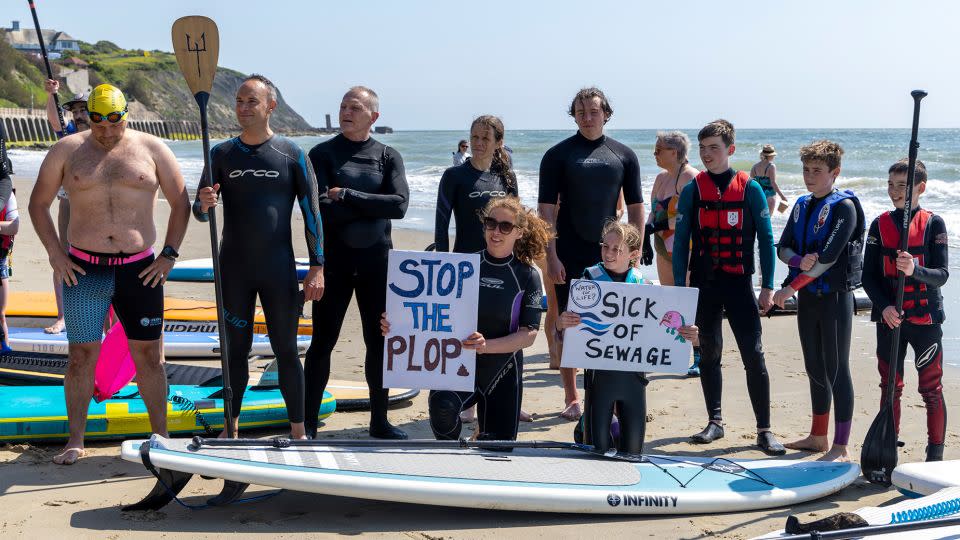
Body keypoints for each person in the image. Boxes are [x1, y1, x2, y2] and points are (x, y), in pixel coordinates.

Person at [28, 84, 190, 464]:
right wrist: (56, 254)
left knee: (149, 356)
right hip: (84, 270)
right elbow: (38, 205)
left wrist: (168, 255)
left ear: (125, 115)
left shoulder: (152, 149)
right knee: (81, 356)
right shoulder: (67, 150)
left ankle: (161, 435)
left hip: (141, 270)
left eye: (112, 121)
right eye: (97, 121)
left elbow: (181, 203)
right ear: (88, 115)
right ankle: (76, 439)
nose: (104, 130)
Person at [194, 75, 324, 439]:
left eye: (251, 101)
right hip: (234, 268)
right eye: (239, 101)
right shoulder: (220, 153)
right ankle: (229, 428)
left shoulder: (291, 153)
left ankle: (298, 430)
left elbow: (312, 212)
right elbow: (200, 212)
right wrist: (203, 205)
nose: (243, 107)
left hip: (278, 268)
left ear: (271, 106)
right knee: (236, 350)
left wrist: (317, 267)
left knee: (285, 350)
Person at [384, 196, 547, 442]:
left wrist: (486, 346)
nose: (496, 231)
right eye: (491, 223)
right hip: (456, 364)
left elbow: (529, 334)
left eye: (505, 226)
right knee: (442, 408)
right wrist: (395, 322)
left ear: (520, 233)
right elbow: (423, 310)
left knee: (497, 451)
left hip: (502, 369)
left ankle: (482, 437)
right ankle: (454, 455)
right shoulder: (461, 266)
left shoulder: (527, 275)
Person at [672, 119, 785, 455]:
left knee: (754, 355)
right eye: (703, 148)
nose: (707, 154)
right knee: (709, 354)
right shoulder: (693, 190)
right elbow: (681, 245)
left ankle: (764, 430)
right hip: (705, 286)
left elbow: (766, 240)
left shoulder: (749, 188)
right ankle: (715, 422)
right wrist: (681, 290)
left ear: (730, 150)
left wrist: (767, 285)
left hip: (739, 285)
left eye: (714, 148)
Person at [305, 86, 410, 440]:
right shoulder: (322, 154)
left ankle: (379, 421)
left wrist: (348, 195)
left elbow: (398, 206)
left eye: (355, 107)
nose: (346, 111)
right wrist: (368, 204)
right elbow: (320, 212)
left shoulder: (387, 156)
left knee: (377, 342)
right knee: (323, 342)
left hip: (377, 266)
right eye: (343, 106)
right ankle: (306, 424)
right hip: (333, 263)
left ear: (373, 116)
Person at [538, 87, 645, 421]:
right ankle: (571, 396)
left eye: (593, 112)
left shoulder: (624, 155)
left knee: (612, 324)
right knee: (569, 324)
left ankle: (607, 395)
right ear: (574, 115)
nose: (587, 117)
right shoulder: (557, 155)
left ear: (606, 114)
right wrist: (551, 255)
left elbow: (636, 208)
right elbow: (545, 212)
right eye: (580, 112)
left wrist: (635, 248)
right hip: (569, 250)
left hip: (611, 253)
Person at [558, 220, 697, 453]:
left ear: (633, 254)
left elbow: (666, 331)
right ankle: (585, 429)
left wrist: (690, 334)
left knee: (633, 450)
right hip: (599, 379)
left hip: (634, 379)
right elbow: (561, 332)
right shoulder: (588, 280)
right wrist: (562, 323)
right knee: (598, 451)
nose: (608, 253)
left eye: (616, 249)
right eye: (605, 247)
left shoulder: (644, 285)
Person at [772, 141, 864, 462]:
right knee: (814, 366)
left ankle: (841, 445)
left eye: (817, 170)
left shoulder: (844, 208)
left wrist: (788, 288)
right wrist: (799, 258)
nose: (810, 176)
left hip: (835, 300)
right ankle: (817, 436)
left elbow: (827, 259)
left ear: (834, 172)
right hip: (810, 300)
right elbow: (782, 249)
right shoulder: (800, 205)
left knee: (838, 368)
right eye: (806, 170)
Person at [862, 159, 949, 462]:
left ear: (920, 188)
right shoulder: (879, 224)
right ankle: (888, 451)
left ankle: (935, 457)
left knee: (931, 389)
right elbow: (867, 276)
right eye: (890, 184)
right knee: (890, 388)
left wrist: (915, 269)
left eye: (902, 185)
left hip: (925, 321)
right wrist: (884, 306)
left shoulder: (933, 224)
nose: (894, 191)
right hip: (890, 321)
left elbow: (942, 274)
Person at [643, 130, 702, 377]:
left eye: (659, 150)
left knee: (687, 302)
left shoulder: (691, 178)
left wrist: (658, 227)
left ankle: (698, 354)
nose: (654, 154)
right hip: (662, 247)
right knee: (669, 301)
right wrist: (645, 238)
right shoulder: (660, 178)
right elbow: (653, 211)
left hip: (685, 249)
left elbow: (689, 217)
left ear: (674, 152)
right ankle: (671, 351)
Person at [43, 79, 89, 334]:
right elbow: (55, 121)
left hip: (97, 204)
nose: (80, 115)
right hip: (69, 202)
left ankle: (109, 321)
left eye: (84, 110)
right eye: (76, 111)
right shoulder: (69, 132)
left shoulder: (104, 133)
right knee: (63, 256)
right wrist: (52, 95)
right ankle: (62, 317)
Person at [435, 116, 518, 253]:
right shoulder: (453, 176)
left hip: (500, 263)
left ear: (499, 143)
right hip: (465, 262)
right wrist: (443, 263)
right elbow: (441, 228)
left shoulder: (507, 176)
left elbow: (516, 225)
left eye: (485, 138)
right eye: (474, 137)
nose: (478, 143)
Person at [749, 144, 787, 215]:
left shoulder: (754, 167)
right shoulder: (771, 166)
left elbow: (751, 183)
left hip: (758, 195)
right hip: (770, 196)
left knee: (759, 220)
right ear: (771, 156)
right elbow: (773, 183)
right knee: (768, 220)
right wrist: (782, 197)